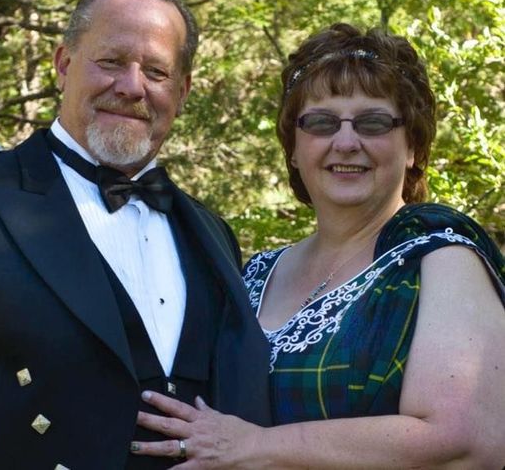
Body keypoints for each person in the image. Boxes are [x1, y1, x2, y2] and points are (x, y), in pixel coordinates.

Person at [0, 0, 271, 470]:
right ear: (64, 64)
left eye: (156, 71)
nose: (131, 87)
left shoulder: (213, 233)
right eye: (111, 62)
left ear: (182, 90)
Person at [132, 23, 505, 468]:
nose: (346, 143)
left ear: (412, 147)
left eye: (372, 122)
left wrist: (252, 446)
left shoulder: (440, 257)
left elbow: (465, 441)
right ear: (293, 148)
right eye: (322, 123)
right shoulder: (256, 272)